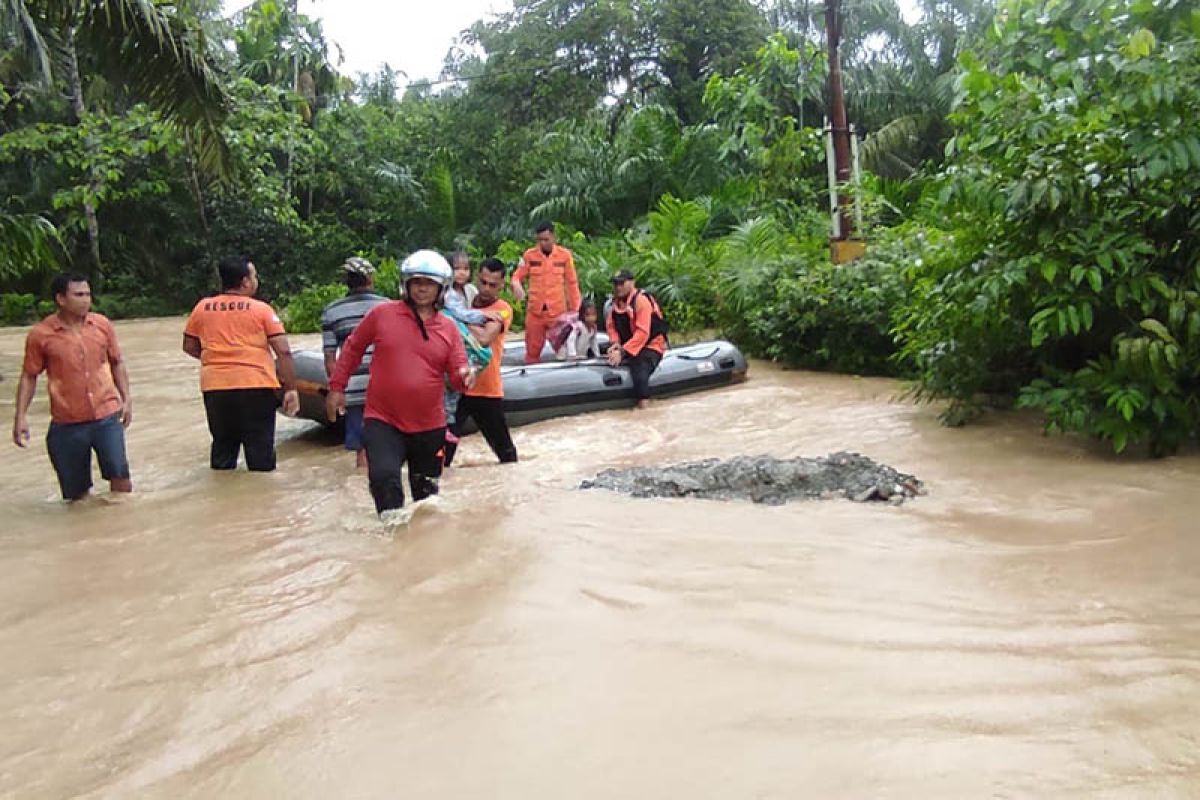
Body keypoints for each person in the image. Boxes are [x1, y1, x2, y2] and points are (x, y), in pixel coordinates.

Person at [326, 250, 475, 517]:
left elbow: (456, 376)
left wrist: (465, 377)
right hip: (383, 419)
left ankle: (419, 550)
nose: (421, 288)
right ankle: (391, 542)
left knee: (426, 500)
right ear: (405, 284)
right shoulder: (381, 314)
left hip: (429, 425)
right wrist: (337, 388)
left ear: (441, 288)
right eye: (416, 281)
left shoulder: (450, 329)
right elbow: (352, 348)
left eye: (428, 283)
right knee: (383, 480)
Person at [11, 273, 133, 501]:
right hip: (67, 422)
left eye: (87, 294)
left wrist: (126, 400)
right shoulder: (41, 335)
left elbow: (117, 362)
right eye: (78, 295)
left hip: (106, 416)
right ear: (61, 299)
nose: (86, 299)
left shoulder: (102, 325)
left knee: (121, 478)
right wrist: (20, 416)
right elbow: (29, 376)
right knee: (77, 496)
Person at [182, 255, 299, 472]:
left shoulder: (202, 308)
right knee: (260, 457)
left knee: (223, 450)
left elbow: (189, 346)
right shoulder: (261, 309)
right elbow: (283, 351)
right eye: (254, 276)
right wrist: (291, 388)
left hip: (215, 387)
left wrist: (216, 360)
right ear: (245, 281)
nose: (256, 280)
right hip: (256, 386)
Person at [444, 258, 518, 466]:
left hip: (486, 390)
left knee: (507, 456)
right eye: (483, 282)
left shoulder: (503, 308)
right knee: (442, 456)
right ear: (476, 278)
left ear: (502, 285)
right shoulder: (463, 301)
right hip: (458, 387)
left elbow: (485, 339)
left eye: (492, 285)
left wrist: (460, 319)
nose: (486, 289)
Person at [320, 257, 388, 469]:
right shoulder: (388, 306)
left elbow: (331, 359)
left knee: (362, 447)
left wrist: (337, 390)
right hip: (387, 385)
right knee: (392, 441)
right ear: (370, 279)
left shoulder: (332, 311)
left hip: (354, 387)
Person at [511, 221, 581, 364]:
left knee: (563, 351)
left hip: (558, 313)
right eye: (539, 240)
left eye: (546, 239)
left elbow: (572, 283)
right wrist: (516, 283)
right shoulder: (529, 256)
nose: (542, 243)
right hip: (535, 312)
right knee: (532, 351)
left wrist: (575, 311)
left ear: (554, 237)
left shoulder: (564, 256)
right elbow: (517, 275)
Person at [606, 269, 668, 409]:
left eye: (621, 283)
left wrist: (622, 352)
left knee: (639, 368)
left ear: (632, 282)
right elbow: (611, 327)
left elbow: (643, 333)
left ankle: (643, 404)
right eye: (616, 284)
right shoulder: (614, 304)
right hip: (629, 345)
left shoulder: (641, 301)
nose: (618, 287)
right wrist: (615, 345)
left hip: (651, 346)